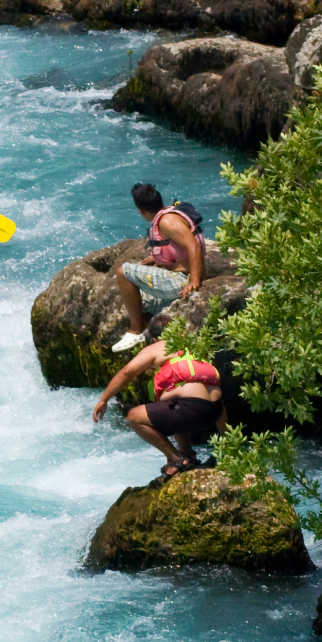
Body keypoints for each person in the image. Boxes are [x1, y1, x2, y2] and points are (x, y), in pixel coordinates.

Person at [91, 340, 227, 476]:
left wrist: (104, 400)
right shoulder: (194, 346)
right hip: (214, 411)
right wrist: (226, 442)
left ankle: (177, 460)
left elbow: (127, 372)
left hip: (189, 409)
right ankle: (188, 455)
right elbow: (214, 398)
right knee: (172, 406)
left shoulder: (159, 345)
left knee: (134, 417)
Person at [112, 183, 207, 353]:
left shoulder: (167, 221)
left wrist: (193, 281)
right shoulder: (168, 214)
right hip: (179, 276)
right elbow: (179, 248)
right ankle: (148, 326)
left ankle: (135, 330)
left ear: (140, 210)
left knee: (123, 272)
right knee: (139, 299)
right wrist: (159, 258)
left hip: (182, 280)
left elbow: (193, 246)